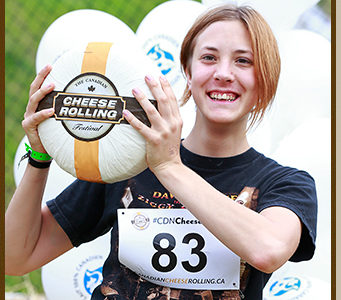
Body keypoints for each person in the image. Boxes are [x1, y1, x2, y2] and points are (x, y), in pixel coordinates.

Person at [5, 4, 317, 300]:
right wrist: (39, 155)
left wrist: (169, 166)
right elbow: (15, 256)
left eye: (243, 61)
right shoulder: (128, 160)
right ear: (187, 71)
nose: (223, 73)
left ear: (264, 79)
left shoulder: (287, 184)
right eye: (208, 58)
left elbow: (268, 250)